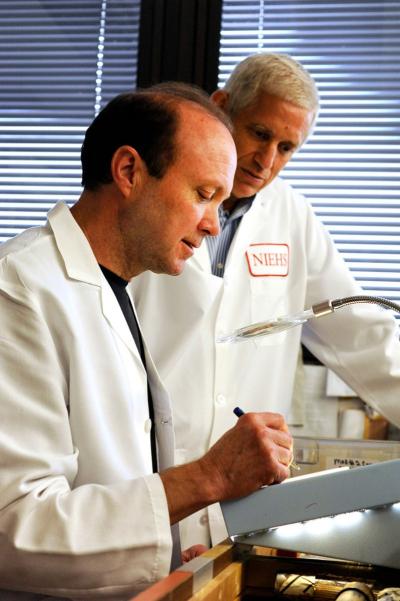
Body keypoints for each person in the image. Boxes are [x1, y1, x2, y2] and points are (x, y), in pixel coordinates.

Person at [0, 83, 294, 600]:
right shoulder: (20, 292)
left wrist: (156, 553)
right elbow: (16, 528)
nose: (210, 225)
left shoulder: (115, 286)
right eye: (202, 195)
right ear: (129, 171)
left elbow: (103, 477)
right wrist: (210, 477)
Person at [131, 54, 400, 550]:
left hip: (238, 495)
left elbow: (364, 335)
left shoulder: (291, 218)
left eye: (286, 147)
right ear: (221, 106)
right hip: (143, 474)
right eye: (258, 133)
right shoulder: (151, 198)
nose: (266, 160)